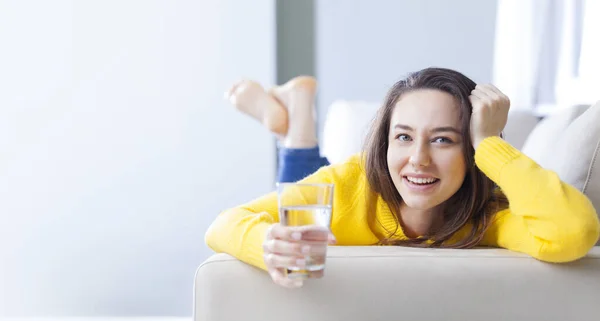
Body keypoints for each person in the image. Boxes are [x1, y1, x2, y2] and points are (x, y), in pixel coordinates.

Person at [206, 68, 600, 289]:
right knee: (299, 180)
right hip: (332, 192)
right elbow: (224, 224)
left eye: (443, 140)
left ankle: (293, 118)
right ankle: (295, 120)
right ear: (385, 142)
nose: (418, 159)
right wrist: (267, 244)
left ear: (473, 152)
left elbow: (574, 231)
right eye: (404, 137)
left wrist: (490, 144)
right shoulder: (351, 182)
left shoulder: (490, 216)